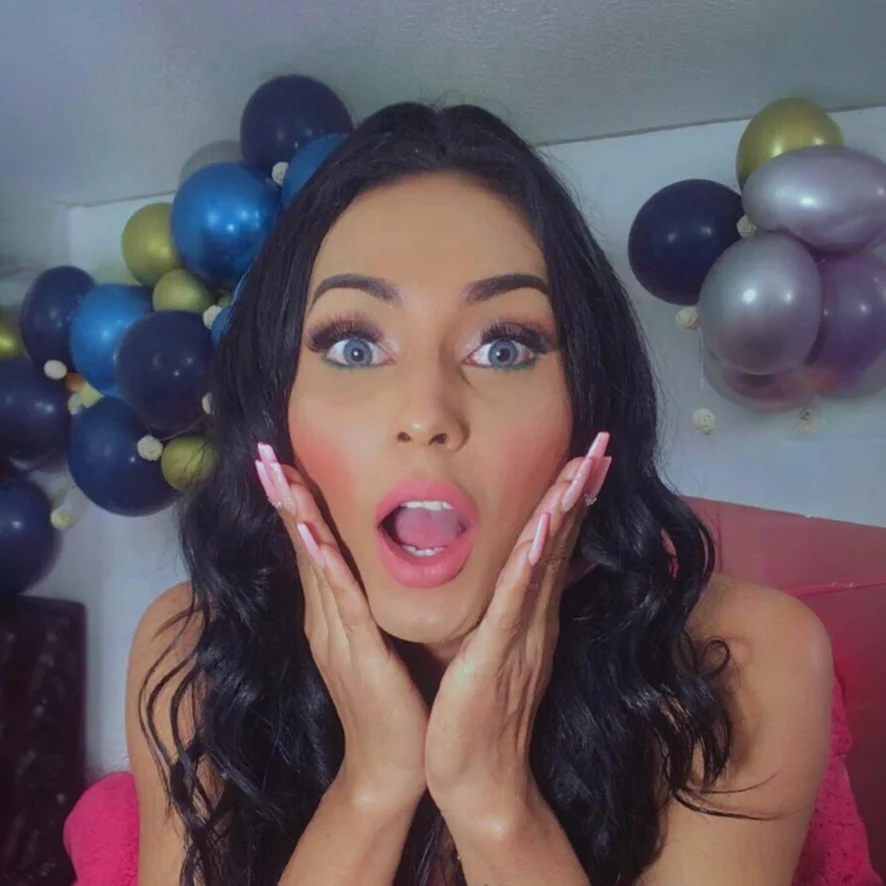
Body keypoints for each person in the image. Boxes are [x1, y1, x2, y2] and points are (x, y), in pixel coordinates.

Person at [126, 103, 833, 886]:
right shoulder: (194, 653)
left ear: (586, 405)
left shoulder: (744, 662)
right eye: (354, 346)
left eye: (503, 347)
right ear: (277, 404)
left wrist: (493, 801)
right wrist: (372, 787)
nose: (427, 412)